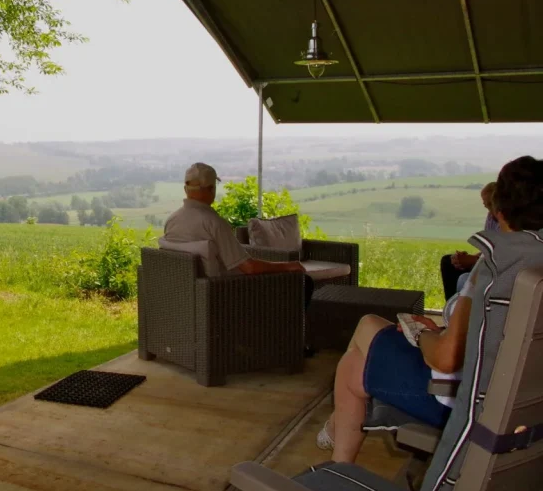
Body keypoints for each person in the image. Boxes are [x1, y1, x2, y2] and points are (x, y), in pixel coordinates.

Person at [317, 156, 543, 464]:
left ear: (498, 209)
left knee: (366, 330)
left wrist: (423, 333)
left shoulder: (493, 269)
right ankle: (338, 459)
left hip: (465, 403)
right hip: (519, 403)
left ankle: (337, 453)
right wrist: (446, 331)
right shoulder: (533, 265)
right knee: (354, 365)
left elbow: (446, 359)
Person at [164, 162, 307, 278]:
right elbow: (249, 268)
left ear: (186, 189)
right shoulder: (214, 223)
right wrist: (288, 266)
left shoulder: (171, 221)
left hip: (187, 293)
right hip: (232, 291)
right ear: (211, 189)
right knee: (303, 282)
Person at [439, 182, 499, 300]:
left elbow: (502, 256)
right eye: (486, 206)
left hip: (493, 268)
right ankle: (451, 306)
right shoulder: (491, 217)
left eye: (491, 204)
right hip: (485, 261)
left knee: (464, 279)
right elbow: (488, 248)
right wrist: (468, 258)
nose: (490, 210)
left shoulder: (510, 222)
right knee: (448, 261)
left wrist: (473, 260)